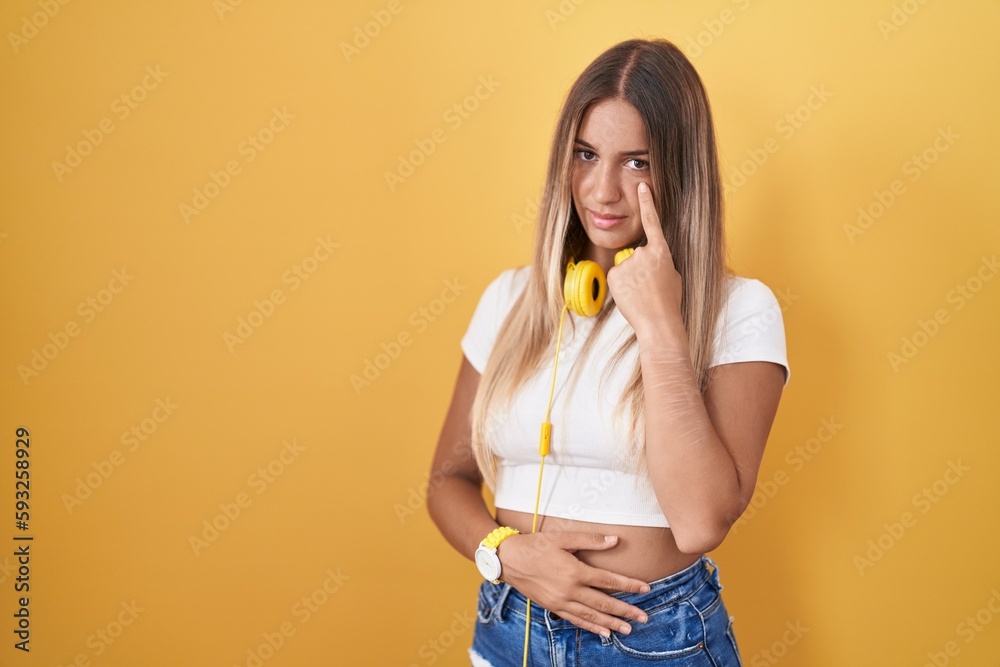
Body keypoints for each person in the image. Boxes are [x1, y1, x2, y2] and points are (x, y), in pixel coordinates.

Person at [427, 37, 789, 666]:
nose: (602, 190)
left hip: (654, 639)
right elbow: (445, 481)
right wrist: (505, 552)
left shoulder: (740, 309)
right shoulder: (510, 300)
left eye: (636, 162)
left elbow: (702, 523)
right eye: (586, 154)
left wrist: (659, 326)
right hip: (509, 627)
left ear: (678, 170)